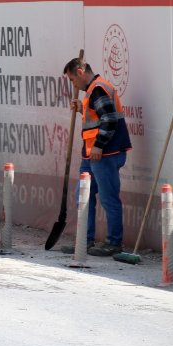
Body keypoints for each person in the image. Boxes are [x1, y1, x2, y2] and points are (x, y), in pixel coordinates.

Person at [63, 58, 132, 256]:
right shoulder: (93, 90)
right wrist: (81, 108)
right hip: (92, 154)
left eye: (72, 80)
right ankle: (86, 240)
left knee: (109, 198)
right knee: (82, 195)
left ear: (80, 71)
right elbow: (97, 116)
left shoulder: (98, 89)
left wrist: (99, 146)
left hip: (104, 153)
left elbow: (109, 120)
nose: (73, 84)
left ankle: (114, 243)